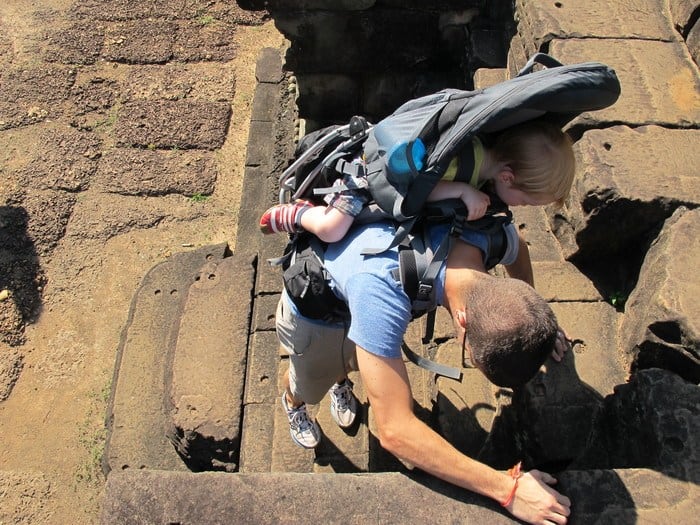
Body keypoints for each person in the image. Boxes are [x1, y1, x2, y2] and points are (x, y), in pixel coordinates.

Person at [273, 215, 572, 525]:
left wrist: (532, 322)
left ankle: (342, 380)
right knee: (309, 382)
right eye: (470, 353)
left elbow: (518, 248)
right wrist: (507, 490)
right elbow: (395, 431)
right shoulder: (381, 289)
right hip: (318, 319)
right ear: (462, 321)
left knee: (355, 364)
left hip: (361, 297)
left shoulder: (488, 231)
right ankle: (294, 402)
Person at [260, 120, 575, 242]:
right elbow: (419, 184)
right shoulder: (464, 162)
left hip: (391, 181)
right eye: (526, 200)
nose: (521, 206)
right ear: (508, 176)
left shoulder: (483, 159)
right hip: (364, 174)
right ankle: (298, 213)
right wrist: (462, 191)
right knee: (333, 230)